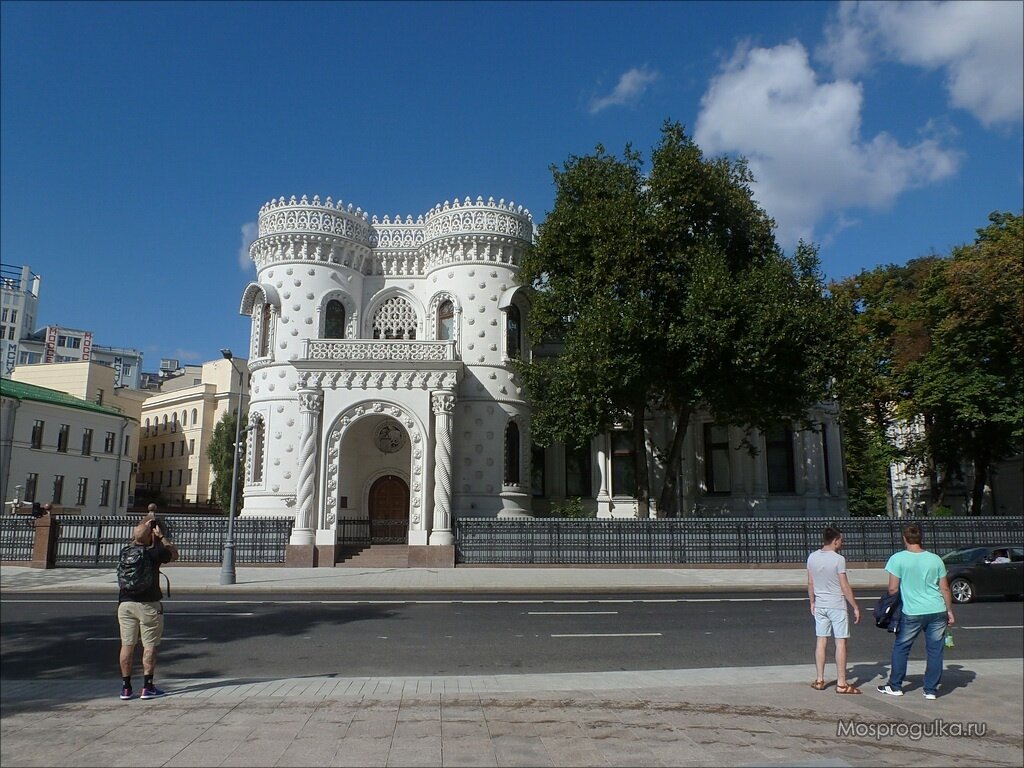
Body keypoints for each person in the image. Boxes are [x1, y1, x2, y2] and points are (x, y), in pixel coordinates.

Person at [878, 524, 955, 700]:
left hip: (912, 611)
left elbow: (892, 589)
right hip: (937, 609)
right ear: (921, 538)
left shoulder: (898, 559)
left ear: (904, 538)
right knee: (935, 650)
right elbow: (944, 588)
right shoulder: (935, 559)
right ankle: (930, 690)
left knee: (902, 647)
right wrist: (948, 610)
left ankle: (895, 686)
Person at [117, 511, 178, 700]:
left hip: (125, 604)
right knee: (149, 645)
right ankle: (147, 686)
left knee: (127, 645)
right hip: (148, 605)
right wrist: (160, 536)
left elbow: (137, 538)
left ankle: (126, 688)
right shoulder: (154, 554)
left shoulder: (125, 552)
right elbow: (174, 554)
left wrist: (143, 528)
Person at [807, 526, 862, 693]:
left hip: (821, 604)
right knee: (840, 643)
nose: (842, 543)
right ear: (835, 540)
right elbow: (844, 585)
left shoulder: (812, 557)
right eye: (841, 540)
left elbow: (810, 582)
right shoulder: (838, 559)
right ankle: (841, 683)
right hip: (836, 605)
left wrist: (812, 601)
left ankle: (819, 679)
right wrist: (855, 606)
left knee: (821, 641)